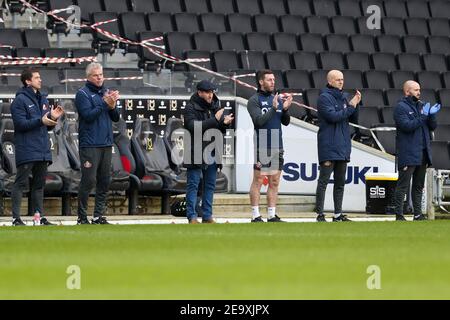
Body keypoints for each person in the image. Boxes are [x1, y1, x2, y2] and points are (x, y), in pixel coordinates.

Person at [10, 67, 64, 226]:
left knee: (39, 185)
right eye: (36, 78)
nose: (40, 80)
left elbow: (46, 126)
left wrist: (52, 119)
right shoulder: (19, 101)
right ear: (27, 81)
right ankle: (16, 218)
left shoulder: (44, 100)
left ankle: (38, 218)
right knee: (20, 183)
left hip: (42, 149)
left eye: (40, 77)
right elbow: (20, 124)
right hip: (27, 148)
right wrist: (41, 121)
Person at [75, 62, 120, 225]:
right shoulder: (82, 94)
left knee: (104, 180)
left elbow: (116, 117)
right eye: (96, 75)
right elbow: (88, 115)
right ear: (88, 77)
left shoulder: (106, 92)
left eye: (101, 74)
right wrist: (104, 103)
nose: (99, 77)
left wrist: (113, 105)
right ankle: (81, 217)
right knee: (88, 180)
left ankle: (98, 215)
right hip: (90, 144)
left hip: (106, 143)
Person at [183, 80, 234, 224]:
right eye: (207, 92)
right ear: (199, 92)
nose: (210, 95)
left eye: (211, 92)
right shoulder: (190, 107)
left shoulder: (216, 106)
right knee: (193, 185)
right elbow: (193, 127)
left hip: (212, 150)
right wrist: (215, 120)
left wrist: (224, 124)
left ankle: (207, 215)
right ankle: (191, 216)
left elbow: (217, 129)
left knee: (210, 185)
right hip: (195, 150)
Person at [315, 70, 361, 222]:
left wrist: (356, 104)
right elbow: (333, 117)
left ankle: (337, 214)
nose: (341, 82)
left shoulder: (344, 97)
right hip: (328, 144)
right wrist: (350, 107)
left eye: (342, 79)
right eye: (337, 80)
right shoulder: (324, 98)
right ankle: (320, 214)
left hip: (342, 145)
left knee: (340, 182)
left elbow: (353, 118)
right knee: (324, 181)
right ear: (330, 81)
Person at [247, 70, 293, 223]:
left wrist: (285, 109)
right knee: (259, 180)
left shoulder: (277, 99)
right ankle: (255, 215)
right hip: (262, 145)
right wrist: (273, 109)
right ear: (261, 82)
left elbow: (285, 122)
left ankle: (272, 215)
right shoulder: (254, 100)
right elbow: (259, 121)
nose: (273, 82)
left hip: (277, 144)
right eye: (269, 80)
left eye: (274, 79)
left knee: (274, 181)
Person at [393, 80, 441, 221]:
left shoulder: (422, 106)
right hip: (408, 152)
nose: (419, 92)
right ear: (407, 91)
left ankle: (418, 214)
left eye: (419, 89)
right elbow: (407, 126)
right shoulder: (400, 107)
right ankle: (399, 214)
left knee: (418, 185)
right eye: (415, 90)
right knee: (403, 185)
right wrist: (424, 116)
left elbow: (432, 126)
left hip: (423, 152)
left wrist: (432, 115)